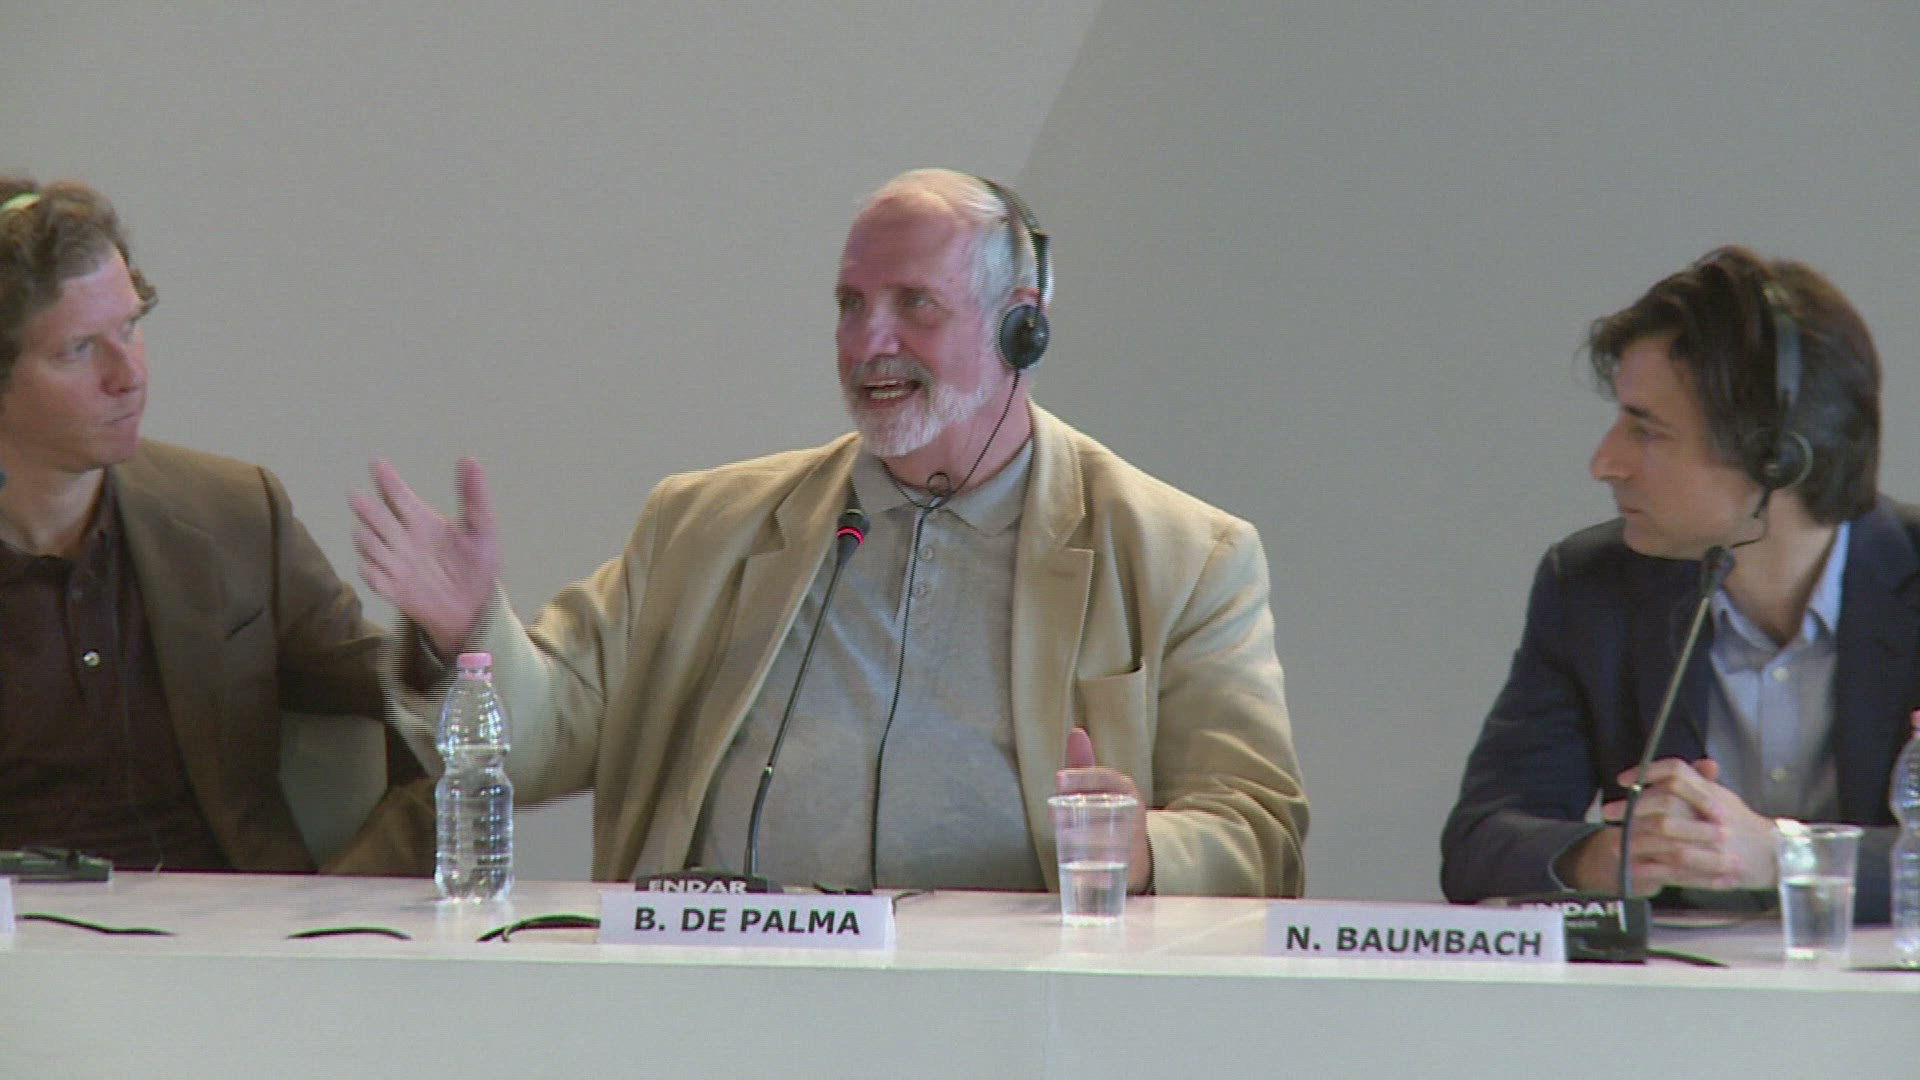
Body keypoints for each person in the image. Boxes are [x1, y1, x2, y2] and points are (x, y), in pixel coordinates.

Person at [356, 168, 1306, 895]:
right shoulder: (703, 528)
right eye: (852, 306)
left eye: (913, 305)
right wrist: (467, 627)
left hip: (1011, 1023)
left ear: (1021, 328)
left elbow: (1260, 833)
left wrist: (1142, 848)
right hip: (714, 1008)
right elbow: (535, 746)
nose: (868, 343)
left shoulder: (1185, 556)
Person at [1442, 246, 1909, 921]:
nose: (1605, 462)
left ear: (1774, 456)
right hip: (1674, 987)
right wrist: (1609, 855)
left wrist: (1785, 856)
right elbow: (1479, 841)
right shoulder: (1592, 586)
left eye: (1646, 430)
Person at [0, 177, 430, 874]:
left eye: (130, 327)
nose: (128, 374)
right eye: (77, 349)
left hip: (234, 924)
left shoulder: (232, 513)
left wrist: (345, 897)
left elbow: (421, 705)